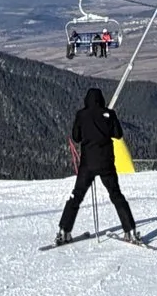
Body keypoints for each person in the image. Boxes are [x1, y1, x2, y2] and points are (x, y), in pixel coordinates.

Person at [56, 87, 140, 244]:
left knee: (76, 196)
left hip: (87, 164)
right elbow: (118, 134)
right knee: (116, 195)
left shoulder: (81, 115)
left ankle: (64, 231)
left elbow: (76, 137)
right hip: (106, 163)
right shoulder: (109, 114)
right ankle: (130, 231)